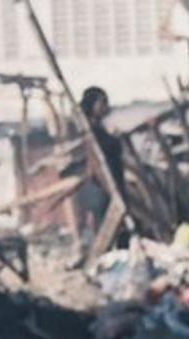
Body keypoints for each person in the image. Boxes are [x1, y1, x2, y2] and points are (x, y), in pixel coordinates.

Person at [72, 86, 126, 250]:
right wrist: (115, 139)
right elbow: (105, 150)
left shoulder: (98, 128)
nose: (105, 106)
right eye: (101, 102)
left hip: (111, 182)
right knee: (107, 225)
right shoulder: (92, 131)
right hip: (103, 185)